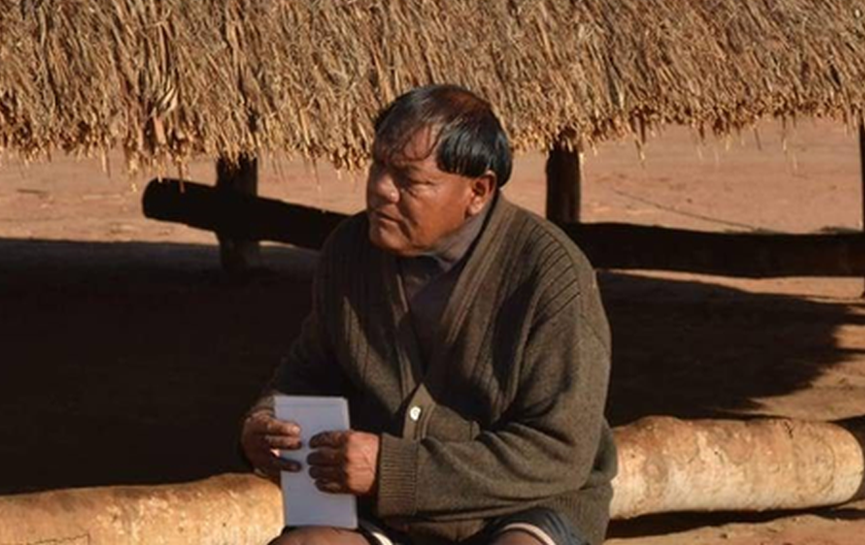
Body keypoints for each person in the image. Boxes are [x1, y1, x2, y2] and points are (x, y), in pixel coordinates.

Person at [241, 84, 616, 545]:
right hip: (382, 512)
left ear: (477, 192)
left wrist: (393, 472)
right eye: (378, 165)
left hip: (520, 508)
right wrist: (264, 425)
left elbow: (561, 452)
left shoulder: (549, 274)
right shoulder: (349, 252)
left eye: (409, 181)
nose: (381, 189)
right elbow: (309, 372)